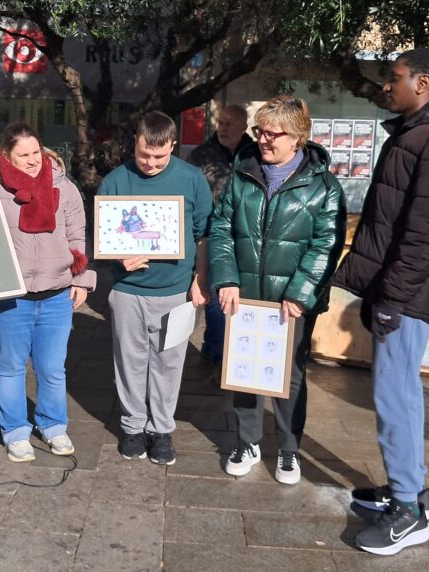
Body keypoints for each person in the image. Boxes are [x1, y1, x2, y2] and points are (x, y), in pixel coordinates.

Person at [331, 48, 429, 555]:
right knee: (403, 392)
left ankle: (409, 512)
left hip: (409, 293)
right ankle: (412, 489)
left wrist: (391, 296)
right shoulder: (420, 133)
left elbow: (428, 234)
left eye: (394, 78)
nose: (385, 86)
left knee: (393, 395)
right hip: (401, 288)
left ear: (423, 83)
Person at [208, 95, 346, 485]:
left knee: (290, 375)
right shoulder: (242, 176)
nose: (264, 140)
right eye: (260, 132)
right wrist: (228, 279)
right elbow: (221, 229)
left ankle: (288, 449)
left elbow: (326, 245)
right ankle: (247, 442)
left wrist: (300, 293)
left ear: (298, 137)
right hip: (246, 292)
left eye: (273, 134)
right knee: (244, 369)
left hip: (293, 300)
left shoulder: (324, 186)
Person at [98, 111, 213, 465]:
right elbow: (102, 239)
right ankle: (132, 427)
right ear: (135, 141)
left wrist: (200, 279)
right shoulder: (115, 181)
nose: (150, 163)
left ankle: (161, 430)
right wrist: (117, 259)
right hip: (128, 290)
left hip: (175, 291)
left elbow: (204, 235)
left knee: (169, 364)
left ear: (173, 146)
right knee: (129, 362)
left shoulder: (192, 179)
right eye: (144, 154)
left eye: (159, 157)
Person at [0, 122, 97, 462]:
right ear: (7, 156)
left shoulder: (64, 186)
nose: (33, 160)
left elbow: (77, 234)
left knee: (52, 368)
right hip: (10, 297)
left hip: (56, 294)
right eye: (24, 155)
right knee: (10, 366)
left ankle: (53, 426)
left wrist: (82, 278)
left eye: (36, 152)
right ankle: (16, 432)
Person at [188, 104, 254, 364]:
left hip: (246, 235)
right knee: (216, 294)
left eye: (229, 124)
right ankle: (216, 351)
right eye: (221, 123)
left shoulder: (254, 155)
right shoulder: (201, 156)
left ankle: (235, 350)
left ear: (243, 127)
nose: (223, 129)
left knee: (239, 294)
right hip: (211, 235)